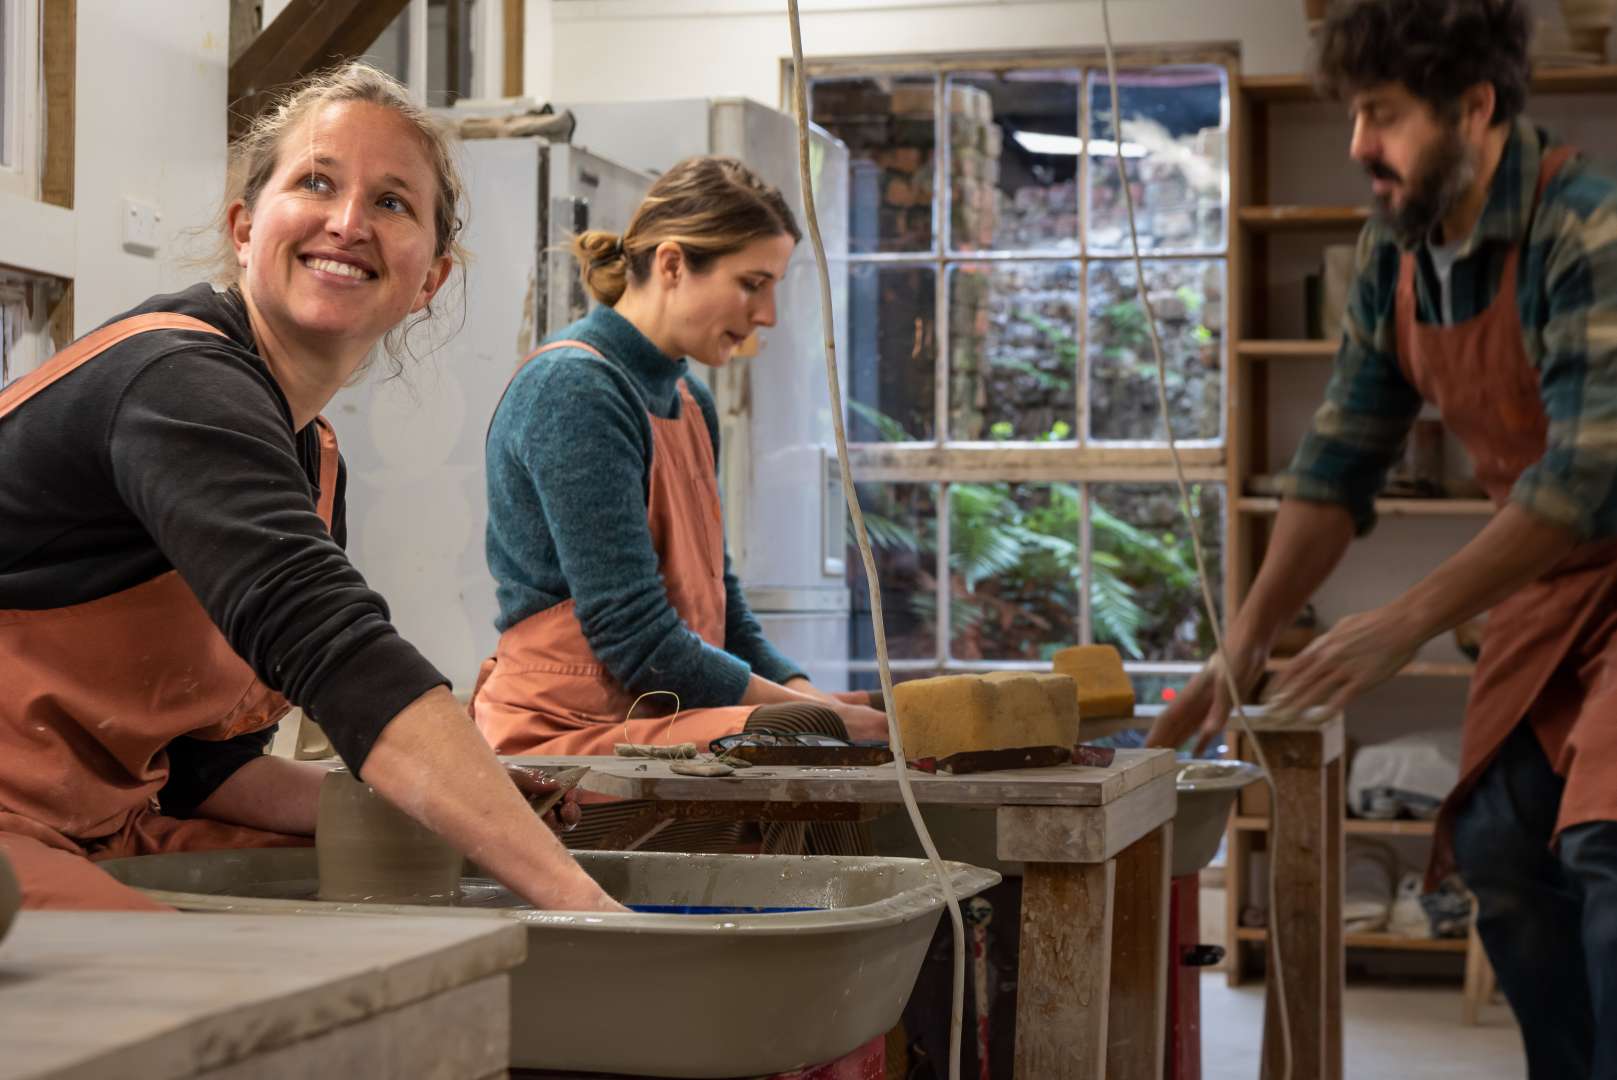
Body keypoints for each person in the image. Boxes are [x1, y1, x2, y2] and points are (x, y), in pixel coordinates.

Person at [0, 63, 618, 913]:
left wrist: (478, 801)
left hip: (92, 824)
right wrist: (587, 904)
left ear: (429, 281)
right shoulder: (173, 381)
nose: (349, 222)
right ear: (244, 228)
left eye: (393, 203)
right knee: (240, 1002)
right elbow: (336, 646)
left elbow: (204, 773)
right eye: (316, 183)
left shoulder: (313, 458)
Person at [1149, 1, 1617, 1073]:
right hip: (1553, 584)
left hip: (1589, 536)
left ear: (1477, 109)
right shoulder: (1392, 255)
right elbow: (1335, 463)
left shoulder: (1585, 224)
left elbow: (1584, 479)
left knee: (1605, 848)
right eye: (1354, 115)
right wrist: (1246, 641)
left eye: (1384, 116)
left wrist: (1398, 627)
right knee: (1499, 844)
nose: (1360, 145)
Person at [470, 158, 886, 846]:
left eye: (772, 287)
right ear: (671, 264)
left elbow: (722, 612)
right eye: (751, 284)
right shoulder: (575, 390)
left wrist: (811, 693)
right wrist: (817, 718)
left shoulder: (688, 402)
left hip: (664, 712)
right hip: (569, 737)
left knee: (855, 713)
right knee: (812, 731)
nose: (767, 315)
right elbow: (639, 643)